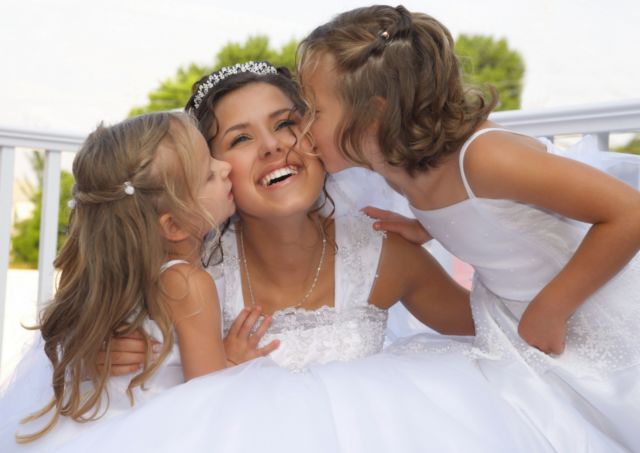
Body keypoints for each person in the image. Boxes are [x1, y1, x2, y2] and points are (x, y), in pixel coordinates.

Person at [52, 62, 623, 453]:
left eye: (286, 125)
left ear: (321, 140)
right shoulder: (195, 267)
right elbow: (101, 285)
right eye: (240, 139)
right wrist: (102, 342)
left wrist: (475, 233)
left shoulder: (383, 255)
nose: (274, 145)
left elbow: (493, 326)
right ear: (209, 172)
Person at [297, 5, 640, 451]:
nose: (301, 128)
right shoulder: (394, 164)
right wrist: (429, 226)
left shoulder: (486, 158)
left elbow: (629, 213)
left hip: (591, 306)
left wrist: (554, 307)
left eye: (313, 111)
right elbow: (485, 212)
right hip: (519, 319)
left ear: (373, 116)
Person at [0, 111, 270, 450]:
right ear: (173, 226)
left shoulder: (108, 282)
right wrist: (231, 359)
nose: (225, 167)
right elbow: (207, 399)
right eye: (208, 175)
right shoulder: (188, 283)